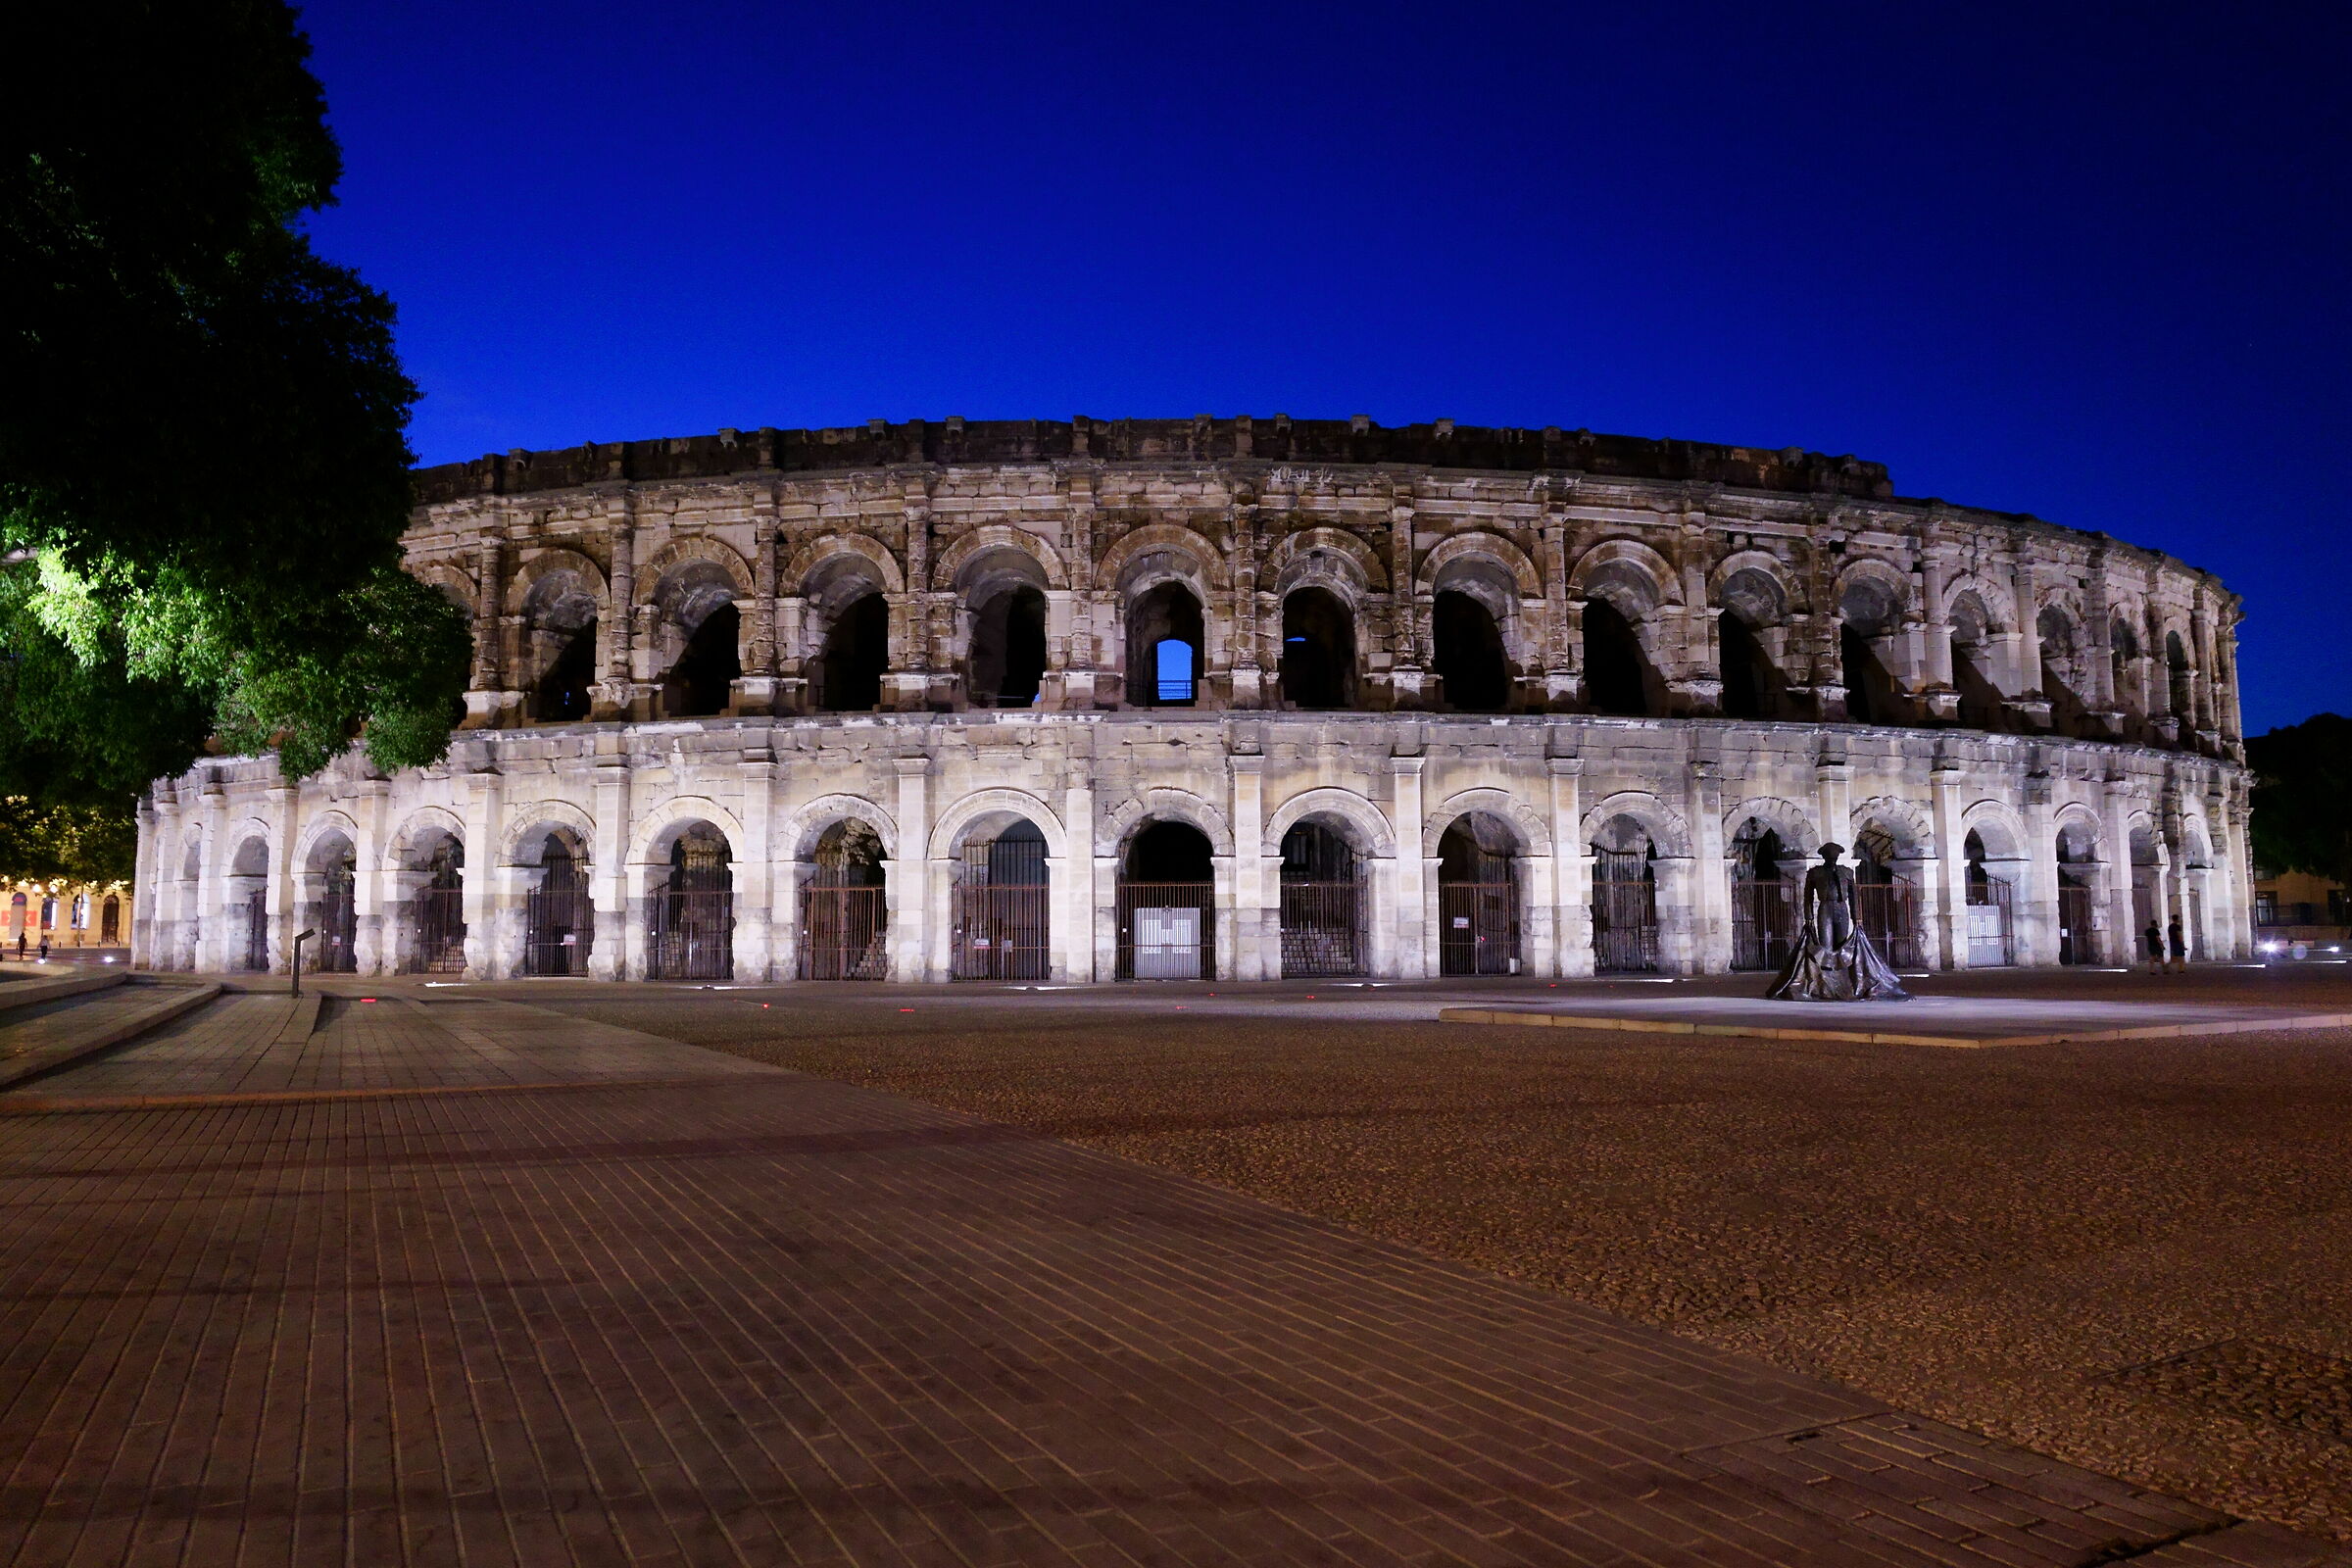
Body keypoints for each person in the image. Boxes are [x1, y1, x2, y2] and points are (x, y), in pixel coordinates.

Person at [1765, 842, 1911, 1002]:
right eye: (1829, 855)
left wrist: (1857, 917)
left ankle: (1843, 982)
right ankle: (1825, 984)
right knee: (1826, 947)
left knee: (1842, 946)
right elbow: (1807, 896)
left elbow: (1854, 896)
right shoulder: (1815, 873)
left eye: (1834, 855)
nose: (1832, 858)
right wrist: (1808, 917)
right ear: (1824, 856)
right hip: (1825, 908)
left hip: (1842, 908)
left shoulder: (1846, 872)